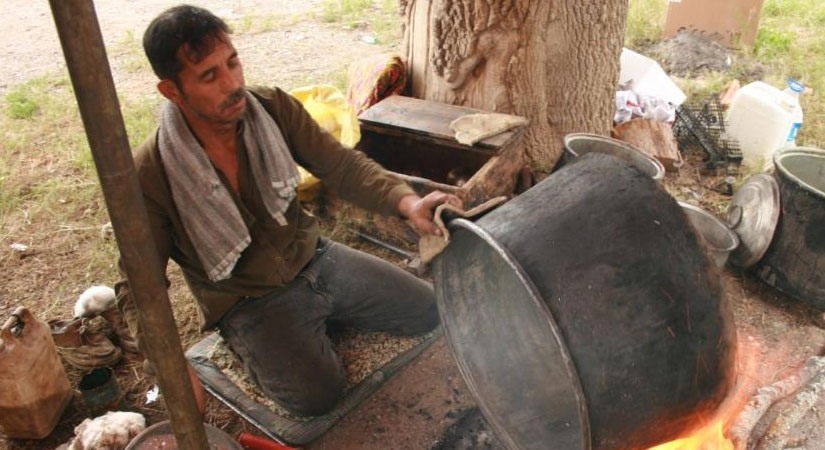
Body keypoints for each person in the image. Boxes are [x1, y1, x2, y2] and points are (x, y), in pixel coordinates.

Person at [115, 4, 462, 417]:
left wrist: (407, 202)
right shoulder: (151, 173)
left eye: (233, 62)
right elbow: (140, 285)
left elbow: (341, 164)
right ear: (172, 90)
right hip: (249, 299)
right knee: (317, 398)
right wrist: (170, 368)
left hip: (315, 256)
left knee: (428, 311)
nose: (232, 84)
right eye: (209, 75)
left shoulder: (272, 108)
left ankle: (316, 321)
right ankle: (258, 343)